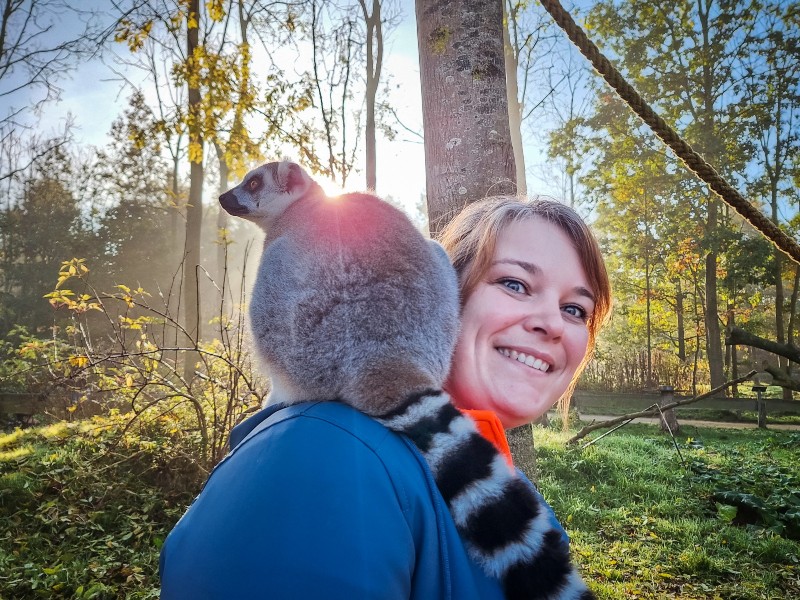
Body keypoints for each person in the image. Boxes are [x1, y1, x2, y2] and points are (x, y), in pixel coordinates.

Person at [159, 196, 612, 599]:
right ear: (438, 290)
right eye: (514, 283)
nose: (552, 323)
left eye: (575, 309)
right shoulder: (329, 448)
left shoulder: (510, 495)